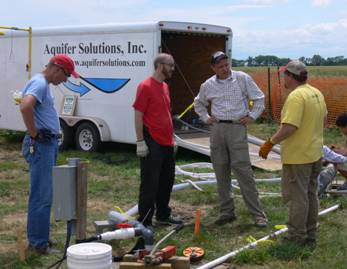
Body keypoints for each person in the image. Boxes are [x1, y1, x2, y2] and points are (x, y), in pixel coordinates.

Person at [194, 51, 267, 227]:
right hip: (217, 129)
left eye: (227, 64)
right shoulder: (208, 85)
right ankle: (227, 212)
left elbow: (259, 99)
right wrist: (206, 118)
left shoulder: (242, 78)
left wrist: (252, 116)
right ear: (213, 68)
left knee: (243, 171)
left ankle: (258, 214)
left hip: (237, 127)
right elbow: (198, 103)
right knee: (220, 170)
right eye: (220, 67)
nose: (225, 69)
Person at [259, 60, 327, 246]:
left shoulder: (296, 97)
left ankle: (296, 236)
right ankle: (310, 233)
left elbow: (289, 127)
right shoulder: (316, 93)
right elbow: (324, 120)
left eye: (284, 75)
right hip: (315, 153)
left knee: (298, 197)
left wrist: (270, 142)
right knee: (310, 194)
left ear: (290, 75)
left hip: (299, 157)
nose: (283, 79)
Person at [20, 54, 79, 255]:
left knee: (44, 193)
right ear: (57, 68)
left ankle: (39, 239)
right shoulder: (40, 83)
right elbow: (25, 106)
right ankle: (38, 243)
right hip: (41, 145)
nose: (66, 79)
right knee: (42, 195)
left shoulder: (42, 84)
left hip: (46, 144)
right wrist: (35, 134)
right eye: (67, 75)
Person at [133, 53, 182, 227]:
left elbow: (165, 113)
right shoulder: (145, 86)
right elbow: (138, 114)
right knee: (150, 183)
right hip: (152, 140)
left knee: (167, 180)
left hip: (167, 142)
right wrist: (140, 141)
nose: (173, 69)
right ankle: (145, 221)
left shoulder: (165, 87)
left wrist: (172, 137)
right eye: (171, 65)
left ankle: (162, 215)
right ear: (160, 65)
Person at [318, 113, 347, 194]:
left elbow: (344, 154)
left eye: (340, 128)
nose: (341, 131)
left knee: (337, 161)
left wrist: (328, 155)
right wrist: (334, 151)